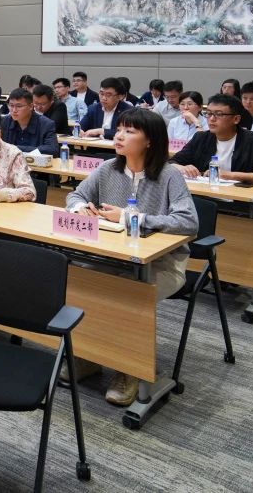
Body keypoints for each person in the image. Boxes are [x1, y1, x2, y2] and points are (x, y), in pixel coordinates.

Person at [65, 107, 198, 406]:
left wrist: (129, 217)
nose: (119, 136)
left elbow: (188, 222)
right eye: (119, 129)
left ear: (150, 140)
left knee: (126, 295)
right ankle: (88, 358)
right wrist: (80, 209)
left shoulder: (169, 175)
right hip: (112, 258)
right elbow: (75, 195)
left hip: (162, 264)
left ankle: (130, 369)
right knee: (81, 282)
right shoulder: (107, 169)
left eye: (130, 131)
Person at [170, 94, 253, 185]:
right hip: (205, 195)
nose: (211, 119)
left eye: (219, 114)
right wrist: (182, 168)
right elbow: (171, 162)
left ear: (236, 119)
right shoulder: (201, 138)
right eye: (208, 113)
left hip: (239, 198)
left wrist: (230, 175)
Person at [0, 88, 59, 155]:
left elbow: (52, 149)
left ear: (31, 106)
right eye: (11, 105)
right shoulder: (4, 121)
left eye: (19, 106)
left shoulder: (46, 124)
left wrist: (15, 148)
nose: (14, 110)